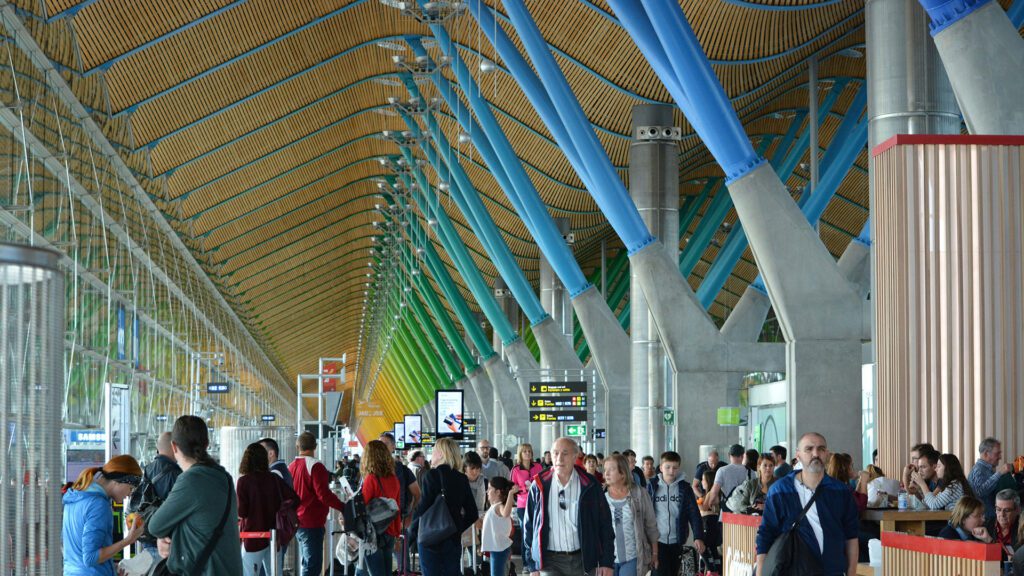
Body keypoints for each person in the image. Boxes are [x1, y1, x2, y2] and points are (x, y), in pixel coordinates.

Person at [149, 415, 243, 575]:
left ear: (174, 446)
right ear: (206, 444)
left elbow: (155, 526)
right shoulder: (224, 477)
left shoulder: (191, 479)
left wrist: (166, 537)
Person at [755, 432, 858, 576]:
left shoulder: (840, 491)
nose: (815, 454)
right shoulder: (780, 491)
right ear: (798, 455)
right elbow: (766, 533)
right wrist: (760, 572)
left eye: (821, 449)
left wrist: (851, 572)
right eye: (809, 449)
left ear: (827, 454)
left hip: (831, 570)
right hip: (792, 570)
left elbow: (851, 535)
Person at [523, 437, 614, 576]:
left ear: (575, 456)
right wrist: (532, 565)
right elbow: (529, 526)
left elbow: (605, 524)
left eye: (565, 453)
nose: (559, 458)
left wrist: (606, 561)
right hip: (549, 561)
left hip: (583, 560)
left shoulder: (590, 485)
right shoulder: (539, 485)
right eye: (555, 453)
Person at [62, 454, 146, 576]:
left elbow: (70, 548)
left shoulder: (75, 497)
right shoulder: (98, 505)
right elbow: (90, 558)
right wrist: (129, 540)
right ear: (119, 481)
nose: (129, 495)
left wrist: (109, 567)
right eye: (130, 488)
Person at [412, 438, 479, 576]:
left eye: (434, 451)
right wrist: (457, 527)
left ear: (442, 454)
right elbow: (472, 513)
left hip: (431, 538)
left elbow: (423, 508)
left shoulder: (432, 475)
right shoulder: (462, 478)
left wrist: (411, 533)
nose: (432, 455)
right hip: (453, 539)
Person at [237, 442, 299, 576]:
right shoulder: (274, 479)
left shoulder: (244, 482)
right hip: (273, 537)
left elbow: (242, 512)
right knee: (275, 573)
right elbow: (295, 499)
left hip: (252, 539)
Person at [288, 431, 345, 576]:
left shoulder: (291, 466)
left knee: (306, 562)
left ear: (297, 446)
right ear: (315, 446)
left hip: (296, 521)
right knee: (313, 565)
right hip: (311, 521)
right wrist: (343, 507)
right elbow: (323, 495)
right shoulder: (316, 466)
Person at [648, 451, 704, 576]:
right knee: (659, 572)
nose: (671, 471)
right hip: (657, 541)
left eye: (675, 467)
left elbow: (694, 513)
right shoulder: (652, 487)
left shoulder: (684, 488)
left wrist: (698, 536)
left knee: (673, 572)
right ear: (661, 467)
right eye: (667, 467)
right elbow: (645, 514)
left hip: (677, 540)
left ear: (678, 468)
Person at [604, 453, 659, 576]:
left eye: (611, 469)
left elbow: (651, 526)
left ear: (622, 473)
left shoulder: (640, 494)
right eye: (605, 469)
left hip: (633, 557)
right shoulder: (601, 496)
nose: (606, 474)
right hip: (607, 560)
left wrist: (654, 554)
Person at [359, 440, 402, 576]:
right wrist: (396, 534)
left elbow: (362, 507)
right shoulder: (393, 479)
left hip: (373, 534)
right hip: (389, 532)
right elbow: (396, 508)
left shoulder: (371, 479)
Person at [481, 477, 519, 576]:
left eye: (489, 489)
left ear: (497, 492)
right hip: (496, 549)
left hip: (499, 550)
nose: (487, 491)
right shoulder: (494, 507)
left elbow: (506, 513)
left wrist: (511, 494)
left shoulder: (499, 506)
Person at [969, 437, 1014, 521]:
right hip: (984, 519)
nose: (1000, 457)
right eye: (997, 453)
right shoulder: (978, 469)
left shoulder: (986, 470)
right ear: (986, 454)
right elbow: (979, 492)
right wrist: (1000, 473)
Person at [909, 453, 973, 511]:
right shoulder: (951, 484)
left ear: (948, 468)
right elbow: (928, 504)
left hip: (956, 523)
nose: (936, 469)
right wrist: (919, 490)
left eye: (939, 466)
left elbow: (933, 504)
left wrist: (922, 484)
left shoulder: (954, 486)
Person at [701, 444, 753, 514]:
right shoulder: (751, 472)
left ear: (729, 456)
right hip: (745, 511)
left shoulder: (722, 470)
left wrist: (710, 502)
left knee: (728, 525)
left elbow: (714, 491)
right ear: (743, 456)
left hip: (728, 510)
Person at [510, 443, 544, 527]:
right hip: (523, 504)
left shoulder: (538, 466)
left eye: (529, 451)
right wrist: (525, 488)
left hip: (537, 502)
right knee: (526, 531)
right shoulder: (516, 469)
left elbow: (543, 482)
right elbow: (512, 488)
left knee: (538, 530)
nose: (528, 453)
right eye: (524, 451)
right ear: (520, 454)